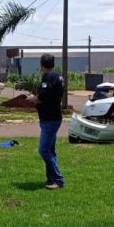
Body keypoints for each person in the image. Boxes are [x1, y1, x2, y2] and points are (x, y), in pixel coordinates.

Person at [34, 53, 65, 190]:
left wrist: (32, 99)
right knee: (50, 150)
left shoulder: (48, 77)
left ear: (42, 64)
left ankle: (58, 180)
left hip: (50, 119)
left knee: (43, 150)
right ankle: (51, 179)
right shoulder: (58, 76)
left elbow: (43, 97)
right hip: (54, 117)